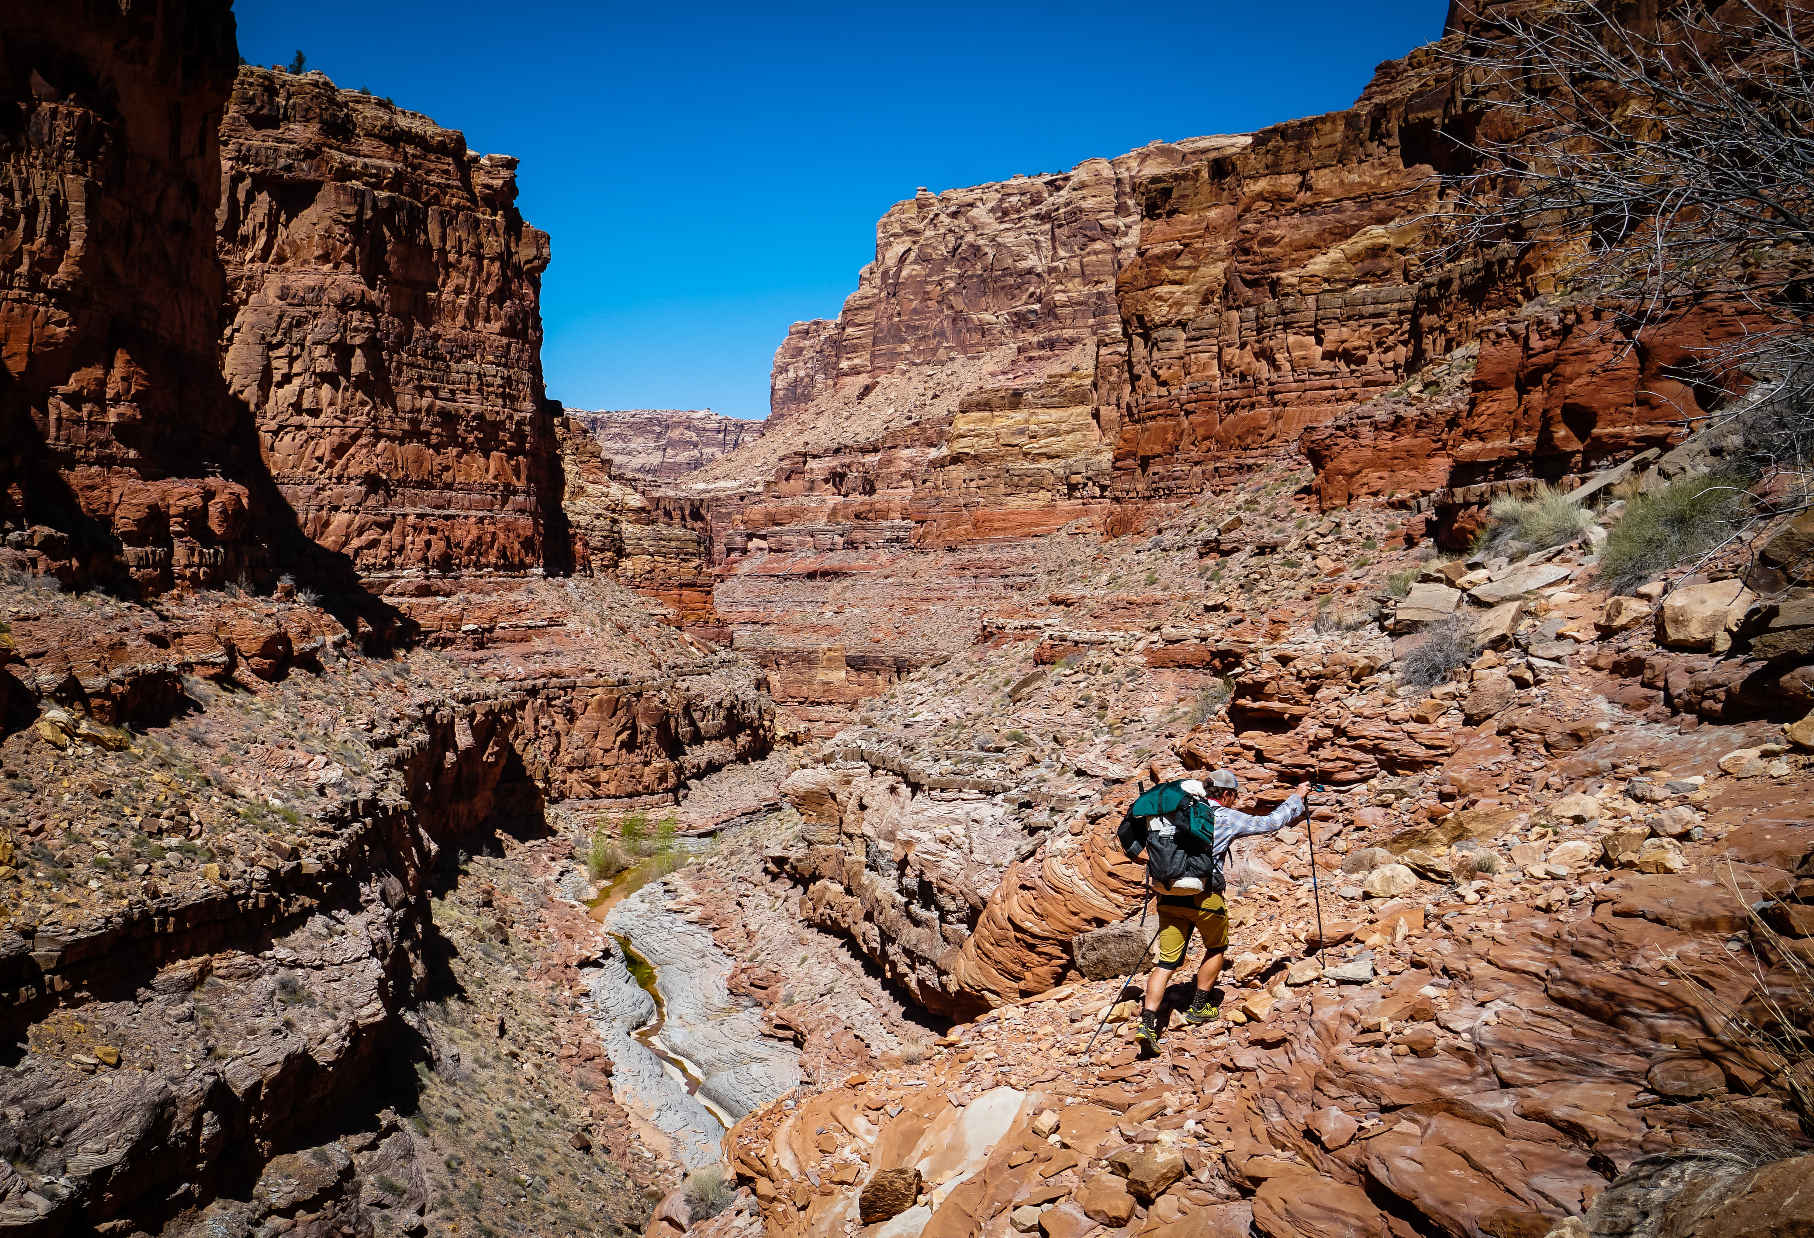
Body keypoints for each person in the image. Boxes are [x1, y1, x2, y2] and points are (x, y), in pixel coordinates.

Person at [1132, 769, 1310, 1053]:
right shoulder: (1225, 816)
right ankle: (1199, 1008)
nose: (1234, 800)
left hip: (1167, 895)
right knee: (1216, 947)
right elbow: (1271, 823)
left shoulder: (1174, 813)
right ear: (1226, 794)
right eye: (1234, 795)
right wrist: (1297, 797)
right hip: (1205, 897)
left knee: (1166, 962)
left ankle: (1147, 1023)